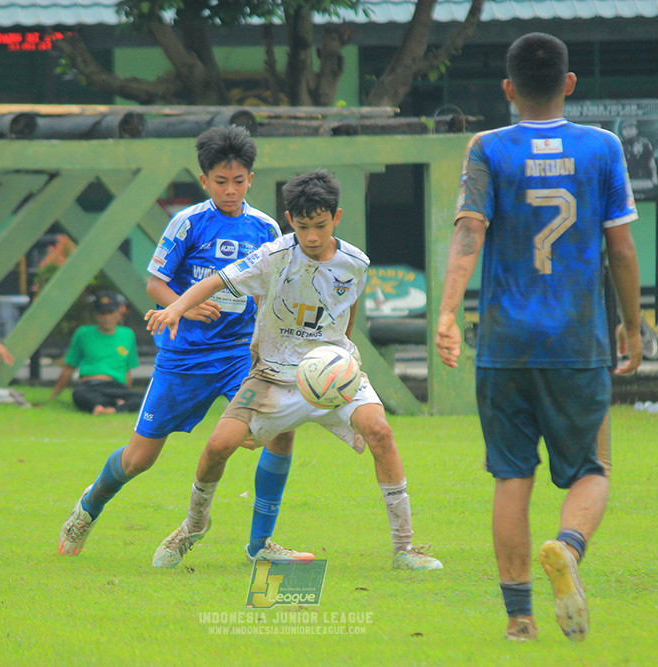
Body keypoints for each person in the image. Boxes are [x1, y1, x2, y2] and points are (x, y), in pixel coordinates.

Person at [435, 33, 642, 642]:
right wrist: (632, 326)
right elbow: (622, 249)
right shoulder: (601, 148)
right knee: (593, 469)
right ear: (569, 83)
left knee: (511, 477)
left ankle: (519, 618)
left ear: (508, 88)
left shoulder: (487, 148)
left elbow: (468, 232)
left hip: (505, 344)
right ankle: (569, 548)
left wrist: (447, 312)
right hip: (576, 341)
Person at [146, 169, 443, 571]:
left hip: (332, 372)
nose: (313, 237)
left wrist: (342, 360)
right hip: (272, 375)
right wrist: (176, 308)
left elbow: (347, 312)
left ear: (336, 217)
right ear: (290, 220)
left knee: (380, 431)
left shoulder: (355, 263)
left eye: (321, 225)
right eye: (303, 227)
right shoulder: (273, 256)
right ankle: (194, 526)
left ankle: (405, 549)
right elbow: (215, 282)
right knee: (218, 446)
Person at [57, 126, 295, 559]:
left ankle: (260, 543)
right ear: (204, 181)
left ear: (250, 180)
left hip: (238, 355)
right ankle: (88, 508)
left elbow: (268, 292)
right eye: (220, 182)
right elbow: (155, 285)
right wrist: (184, 306)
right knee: (139, 459)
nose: (229, 190)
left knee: (277, 433)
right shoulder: (188, 222)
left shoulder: (265, 228)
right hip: (184, 357)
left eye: (238, 181)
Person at [49, 291, 143, 415]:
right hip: (90, 385)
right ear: (96, 315)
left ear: (119, 313)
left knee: (145, 397)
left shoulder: (128, 334)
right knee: (79, 394)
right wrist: (53, 396)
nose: (107, 318)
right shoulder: (83, 333)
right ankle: (113, 405)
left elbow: (127, 371)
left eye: (111, 312)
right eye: (102, 313)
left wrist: (126, 392)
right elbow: (69, 367)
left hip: (116, 386)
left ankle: (109, 408)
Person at [618, 119, 658, 193]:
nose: (628, 131)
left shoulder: (644, 143)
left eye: (631, 128)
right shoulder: (618, 145)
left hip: (643, 180)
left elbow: (651, 162)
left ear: (636, 130)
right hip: (626, 181)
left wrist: (654, 177)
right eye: (625, 129)